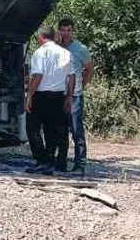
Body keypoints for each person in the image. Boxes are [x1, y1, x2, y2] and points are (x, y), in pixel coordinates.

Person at [25, 24, 75, 175]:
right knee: (52, 129)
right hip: (59, 95)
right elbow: (72, 76)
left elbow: (38, 76)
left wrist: (30, 95)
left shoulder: (39, 53)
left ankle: (42, 160)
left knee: (32, 128)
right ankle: (50, 159)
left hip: (41, 95)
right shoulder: (66, 53)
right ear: (54, 36)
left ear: (40, 37)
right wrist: (69, 96)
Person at [59, 17, 94, 173]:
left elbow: (89, 69)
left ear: (73, 31)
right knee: (60, 129)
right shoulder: (56, 47)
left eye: (69, 30)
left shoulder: (80, 49)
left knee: (76, 130)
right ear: (59, 30)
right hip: (58, 94)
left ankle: (80, 164)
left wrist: (81, 86)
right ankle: (61, 162)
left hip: (75, 96)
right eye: (63, 30)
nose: (66, 33)